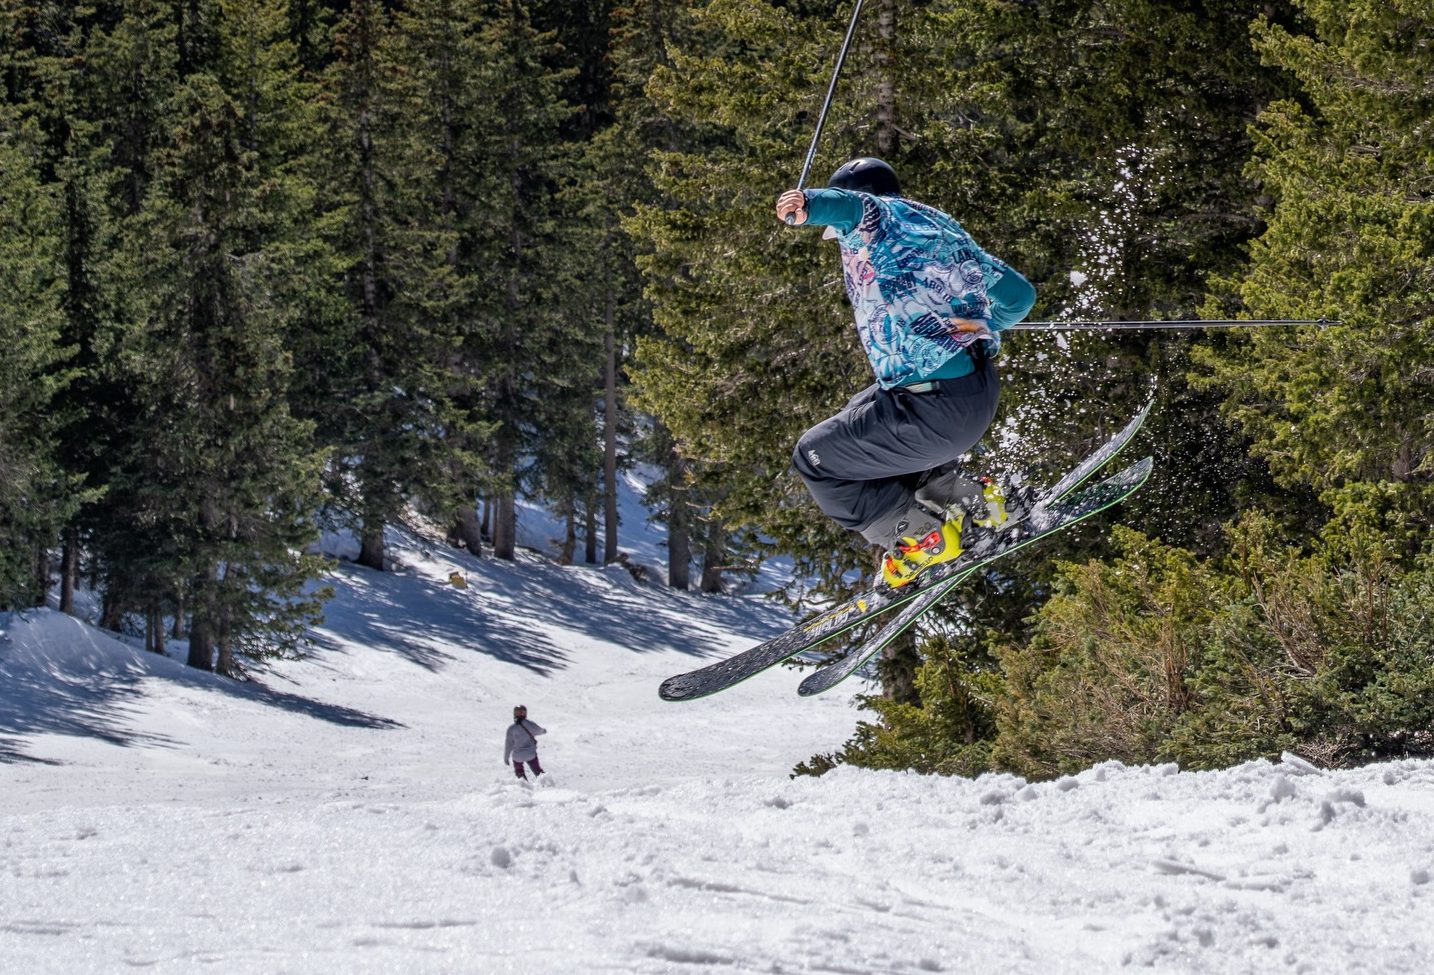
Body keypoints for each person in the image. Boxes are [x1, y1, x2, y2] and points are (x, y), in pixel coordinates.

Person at [775, 156, 1037, 588]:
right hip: (974, 393)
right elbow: (1020, 296)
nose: (842, 241)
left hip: (933, 414)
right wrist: (972, 326)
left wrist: (808, 204)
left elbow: (856, 209)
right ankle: (969, 501)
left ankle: (918, 538)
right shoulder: (942, 231)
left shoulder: (877, 220)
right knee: (860, 411)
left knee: (814, 458)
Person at [503, 705, 546, 780]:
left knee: (519, 771)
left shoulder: (511, 729)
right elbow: (538, 730)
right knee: (537, 769)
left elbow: (508, 745)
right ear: (525, 713)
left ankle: (523, 785)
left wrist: (506, 757)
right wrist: (543, 731)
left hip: (517, 756)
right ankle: (545, 782)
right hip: (530, 754)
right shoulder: (529, 724)